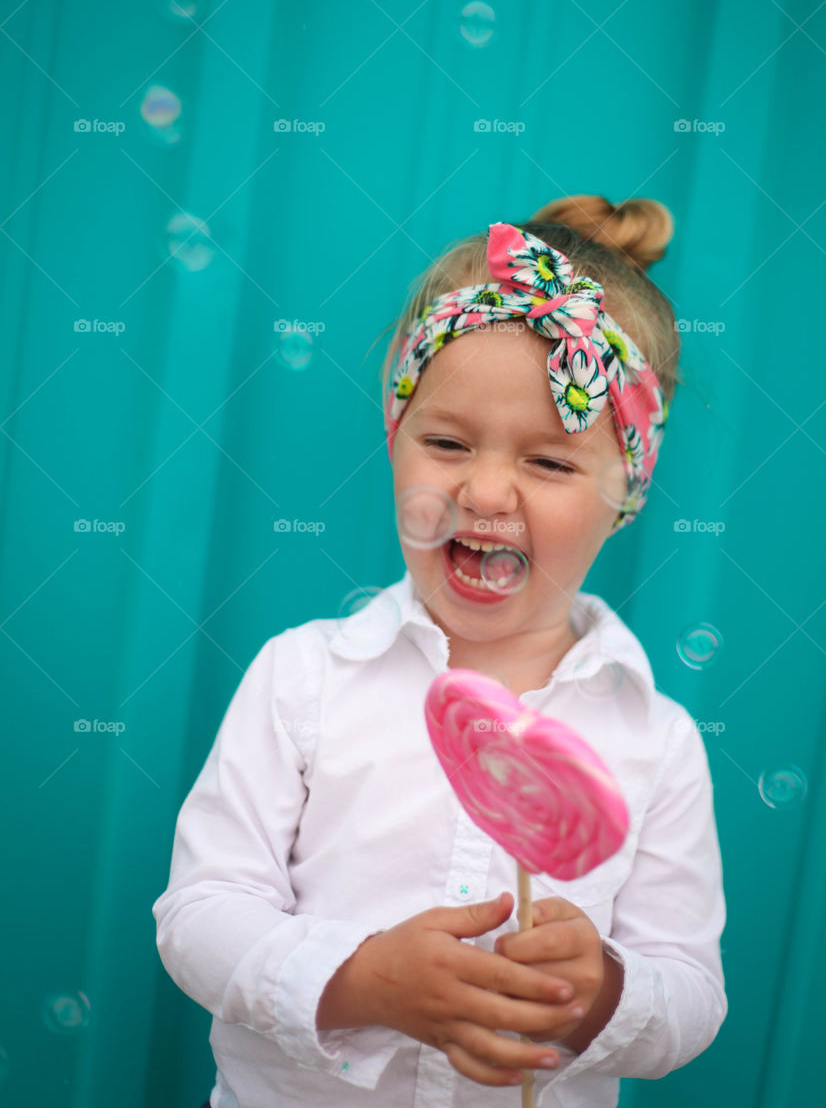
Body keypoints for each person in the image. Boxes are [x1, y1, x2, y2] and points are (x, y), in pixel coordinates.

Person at [153, 194, 728, 1108]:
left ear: (627, 494)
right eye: (447, 441)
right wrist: (361, 978)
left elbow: (690, 998)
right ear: (396, 442)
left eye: (549, 462)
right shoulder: (302, 678)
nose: (486, 488)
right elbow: (199, 916)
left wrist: (601, 993)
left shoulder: (656, 743)